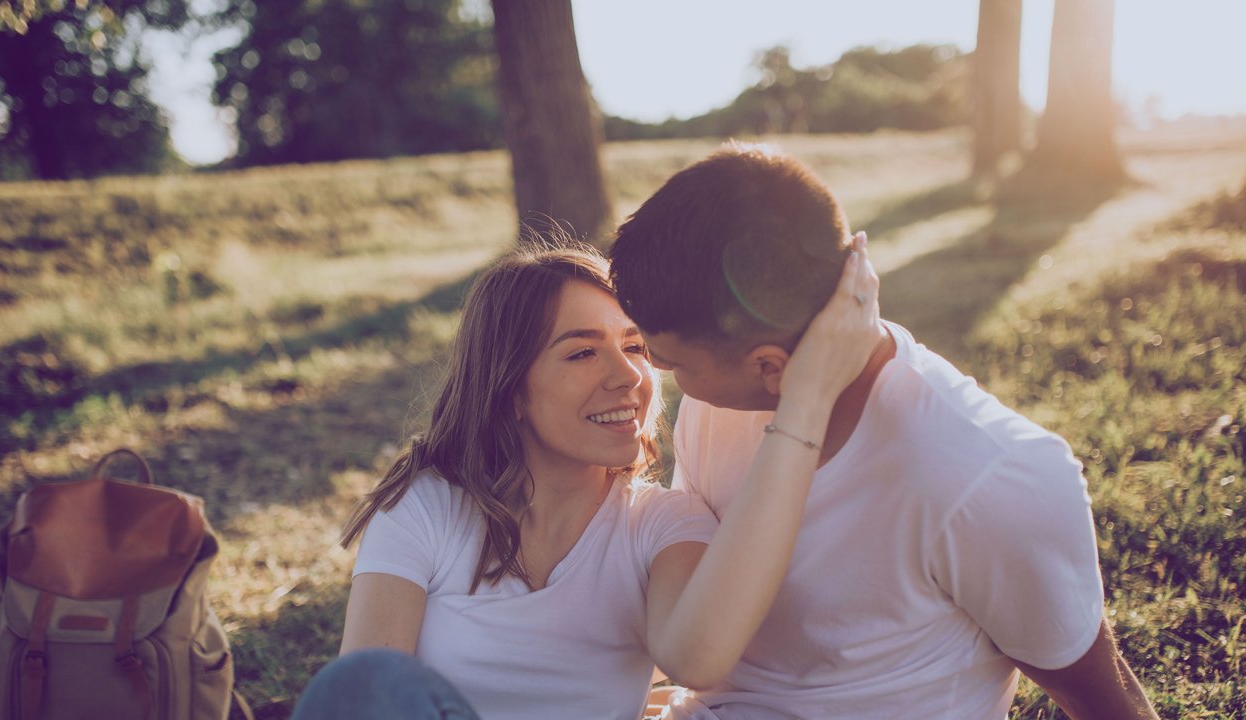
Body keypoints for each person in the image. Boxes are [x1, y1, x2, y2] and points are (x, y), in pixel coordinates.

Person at [608, 143, 1159, 720]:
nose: (656, 374)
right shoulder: (718, 406)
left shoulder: (987, 474)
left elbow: (1105, 701)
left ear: (770, 368)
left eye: (670, 360)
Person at [291, 241, 881, 720]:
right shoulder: (426, 508)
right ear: (510, 388)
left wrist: (807, 399)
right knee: (361, 685)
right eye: (581, 354)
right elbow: (366, 694)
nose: (629, 375)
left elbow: (698, 657)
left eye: (633, 346)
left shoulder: (665, 525)